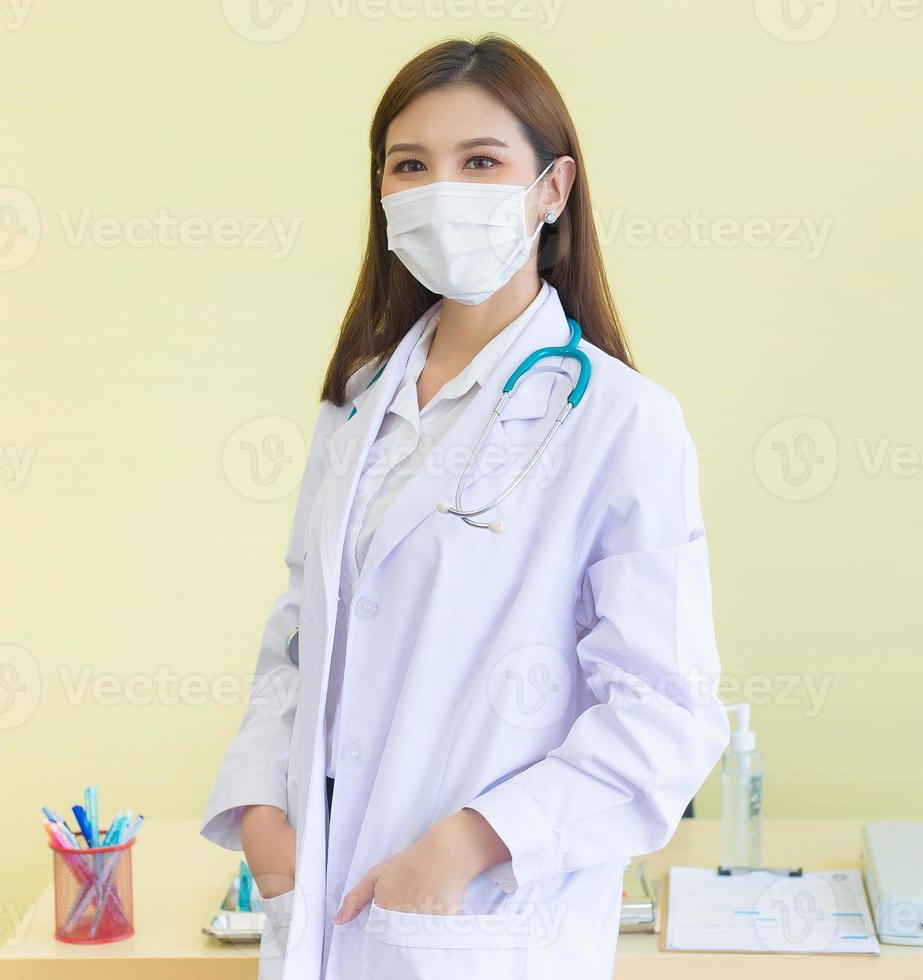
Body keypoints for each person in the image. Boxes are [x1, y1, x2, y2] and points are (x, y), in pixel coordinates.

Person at [201, 34, 728, 979]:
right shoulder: (356, 404)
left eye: (480, 161)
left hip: (478, 925)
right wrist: (260, 814)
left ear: (552, 190)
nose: (442, 188)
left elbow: (666, 713)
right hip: (320, 905)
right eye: (411, 165)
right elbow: (296, 636)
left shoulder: (620, 423)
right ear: (383, 193)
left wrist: (472, 845)